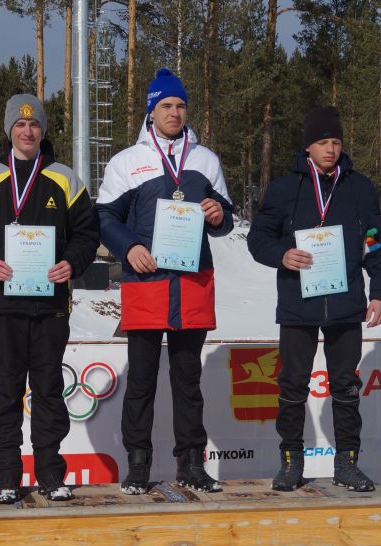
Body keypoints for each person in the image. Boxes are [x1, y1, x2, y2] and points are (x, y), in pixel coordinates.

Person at [0, 93, 99, 504]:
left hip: (51, 305)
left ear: (42, 130)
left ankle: (51, 472)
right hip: (2, 306)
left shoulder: (65, 179)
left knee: (50, 390)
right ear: (9, 130)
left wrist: (72, 262)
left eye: (34, 124)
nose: (28, 131)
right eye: (20, 125)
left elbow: (88, 234)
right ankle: (6, 475)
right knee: (6, 391)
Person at [98, 68, 233, 494]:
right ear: (151, 112)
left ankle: (191, 463)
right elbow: (103, 218)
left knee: (187, 379)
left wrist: (218, 215)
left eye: (180, 106)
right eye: (166, 106)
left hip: (192, 284)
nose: (174, 113)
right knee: (141, 380)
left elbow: (225, 219)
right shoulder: (127, 162)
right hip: (147, 282)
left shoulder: (205, 159)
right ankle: (137, 465)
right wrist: (128, 248)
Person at [248, 106, 381, 493]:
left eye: (335, 142)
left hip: (346, 303)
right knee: (293, 385)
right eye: (322, 142)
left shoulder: (359, 187)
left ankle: (347, 463)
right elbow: (258, 238)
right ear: (308, 147)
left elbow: (377, 241)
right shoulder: (285, 188)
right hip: (299, 303)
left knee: (346, 386)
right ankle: (290, 462)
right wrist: (281, 254)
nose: (330, 149)